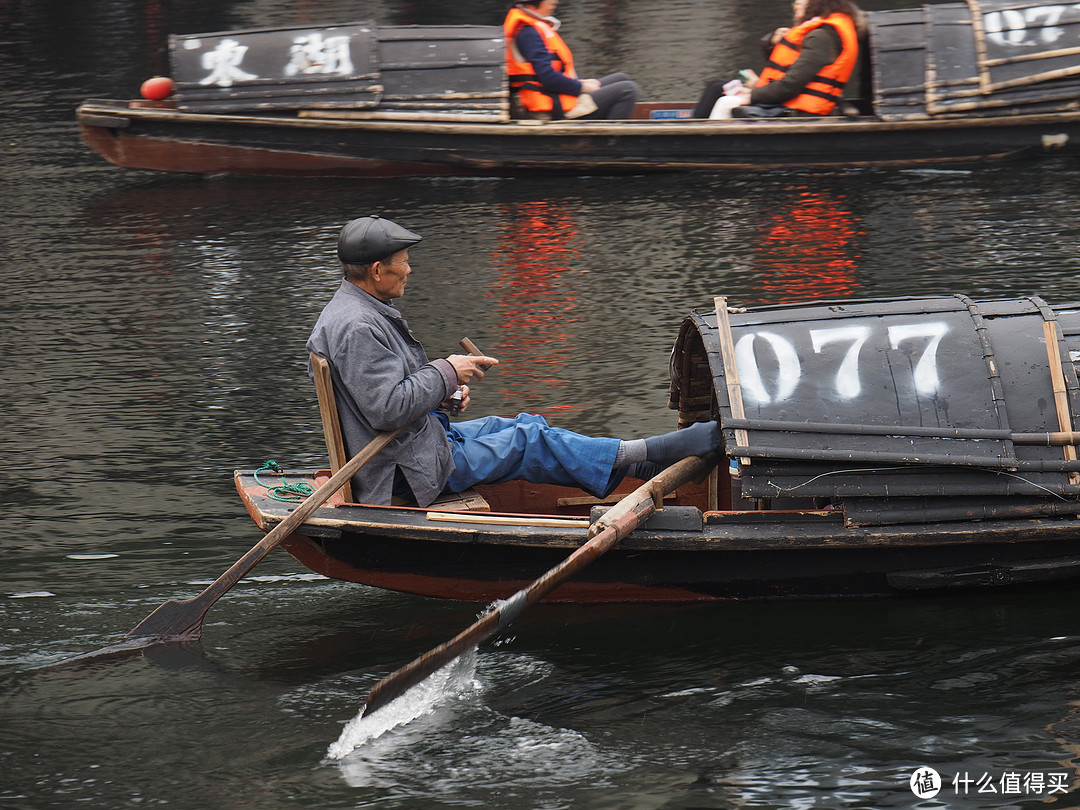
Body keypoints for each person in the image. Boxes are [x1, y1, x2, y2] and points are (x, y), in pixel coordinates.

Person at [306, 215, 721, 507]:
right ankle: (653, 452)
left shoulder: (359, 310)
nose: (410, 270)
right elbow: (386, 408)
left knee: (525, 425)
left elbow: (385, 396)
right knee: (528, 443)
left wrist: (444, 395)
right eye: (404, 263)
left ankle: (646, 464)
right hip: (405, 470)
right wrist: (449, 370)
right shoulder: (357, 327)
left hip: (418, 444)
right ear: (378, 270)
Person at [692, 0, 863, 120]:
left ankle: (701, 148)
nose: (796, 4)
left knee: (725, 102)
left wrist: (753, 95)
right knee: (718, 87)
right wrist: (771, 44)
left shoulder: (822, 36)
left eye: (801, 1)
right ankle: (695, 138)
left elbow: (792, 83)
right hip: (792, 99)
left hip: (801, 110)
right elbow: (788, 69)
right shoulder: (825, 31)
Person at [504, 0, 640, 121]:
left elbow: (554, 71)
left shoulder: (533, 26)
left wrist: (580, 81)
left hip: (558, 96)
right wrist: (582, 87)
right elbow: (548, 78)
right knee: (628, 90)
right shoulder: (528, 32)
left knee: (623, 78)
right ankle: (612, 143)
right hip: (554, 109)